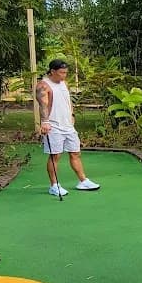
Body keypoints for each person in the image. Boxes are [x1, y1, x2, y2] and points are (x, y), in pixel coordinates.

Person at [36, 59, 100, 196]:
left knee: (75, 152)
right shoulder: (43, 85)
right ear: (52, 71)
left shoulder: (64, 83)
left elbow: (67, 99)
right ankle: (54, 185)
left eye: (66, 73)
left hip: (68, 125)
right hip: (53, 126)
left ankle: (83, 181)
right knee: (55, 156)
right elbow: (43, 105)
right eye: (61, 73)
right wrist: (45, 121)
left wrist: (72, 114)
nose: (64, 75)